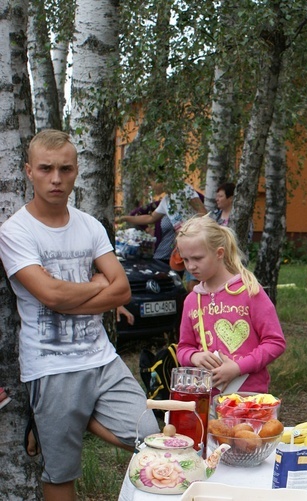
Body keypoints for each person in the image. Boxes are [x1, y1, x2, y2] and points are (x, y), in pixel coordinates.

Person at [0, 129, 159, 501]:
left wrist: (71, 295)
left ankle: (69, 418)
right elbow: (50, 294)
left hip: (101, 359)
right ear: (29, 171)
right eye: (46, 169)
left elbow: (122, 290)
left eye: (65, 169)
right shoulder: (14, 231)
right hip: (50, 367)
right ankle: (57, 418)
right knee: (61, 474)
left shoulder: (89, 225)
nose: (56, 179)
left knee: (149, 436)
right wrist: (95, 285)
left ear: (76, 172)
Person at [175, 216, 286, 394]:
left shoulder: (249, 291)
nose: (191, 266)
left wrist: (238, 367)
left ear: (219, 253)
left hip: (248, 397)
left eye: (197, 258)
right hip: (205, 398)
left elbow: (275, 342)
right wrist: (194, 356)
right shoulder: (191, 300)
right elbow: (183, 348)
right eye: (185, 260)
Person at [119, 180, 207, 265]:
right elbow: (150, 218)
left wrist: (190, 230)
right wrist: (124, 218)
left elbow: (202, 212)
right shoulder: (166, 201)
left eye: (151, 182)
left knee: (194, 277)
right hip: (182, 244)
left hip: (195, 241)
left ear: (160, 179)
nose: (151, 187)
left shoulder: (184, 189)